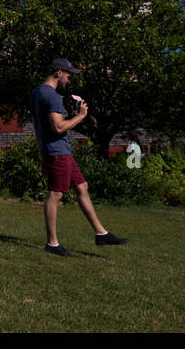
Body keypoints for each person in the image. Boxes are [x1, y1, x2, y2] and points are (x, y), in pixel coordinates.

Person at [30, 58, 128, 256]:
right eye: (68, 74)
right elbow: (57, 127)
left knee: (82, 186)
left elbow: (38, 127)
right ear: (58, 72)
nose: (69, 78)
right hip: (58, 152)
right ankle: (52, 243)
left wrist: (42, 152)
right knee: (55, 194)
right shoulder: (54, 96)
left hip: (55, 151)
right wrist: (81, 116)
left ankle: (101, 233)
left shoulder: (37, 93)